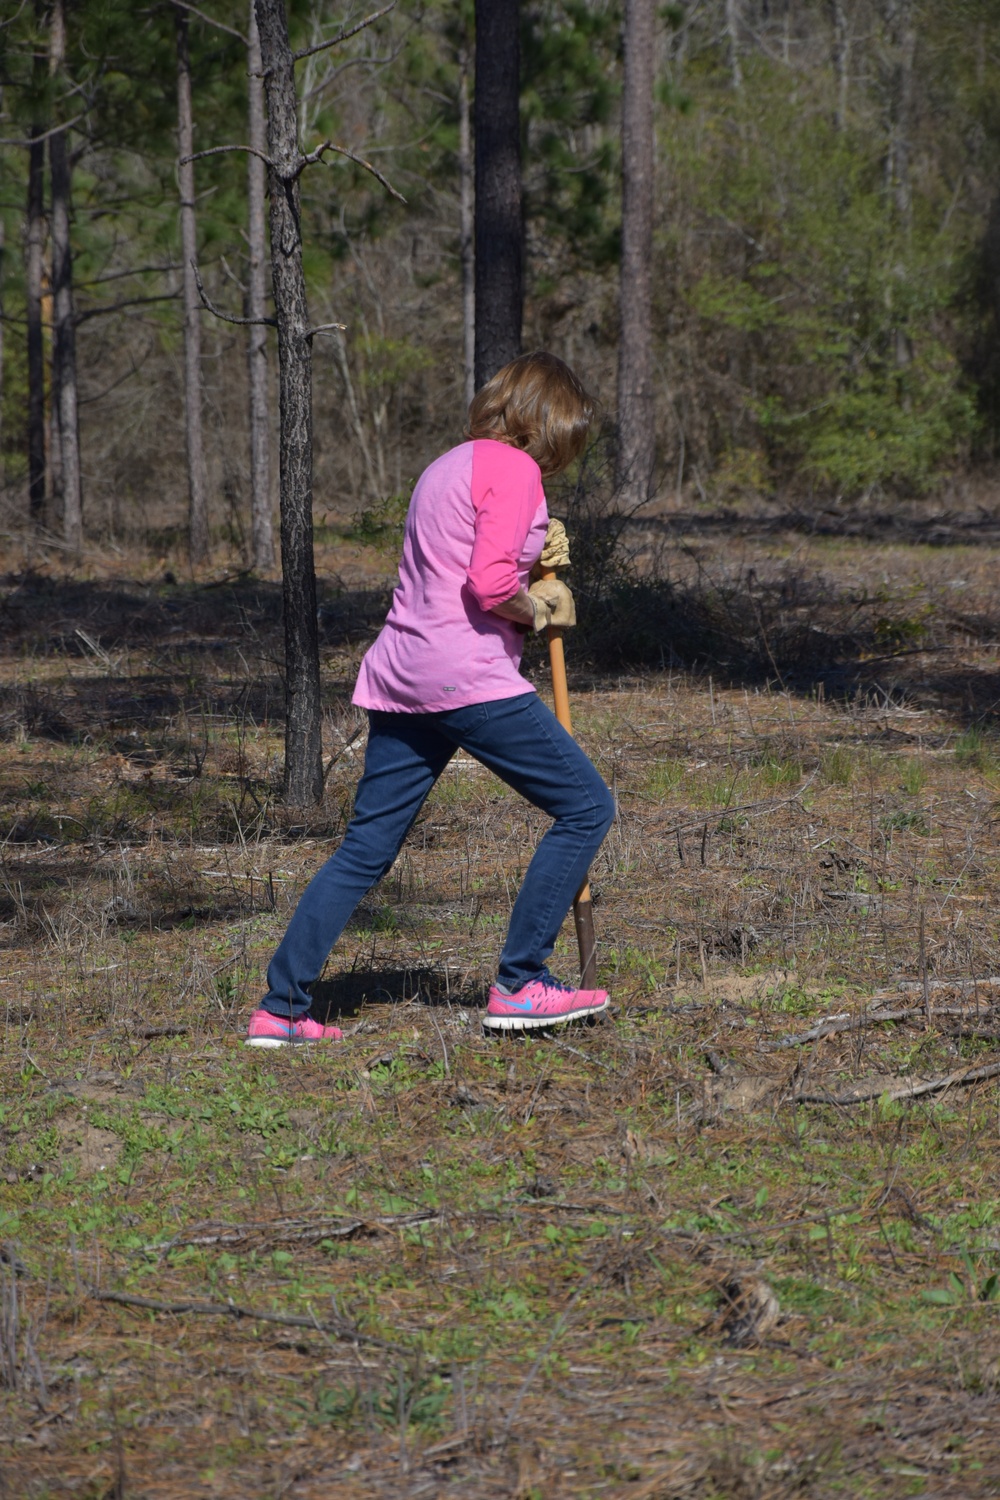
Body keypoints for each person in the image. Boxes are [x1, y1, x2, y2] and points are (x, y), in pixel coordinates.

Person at [246, 351, 616, 1047]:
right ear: (543, 423)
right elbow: (486, 584)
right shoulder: (515, 470)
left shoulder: (447, 465)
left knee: (365, 850)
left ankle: (280, 1009)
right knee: (587, 805)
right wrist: (538, 607)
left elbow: (462, 558)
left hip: (401, 674)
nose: (561, 455)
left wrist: (530, 554)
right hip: (465, 676)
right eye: (563, 436)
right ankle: (521, 983)